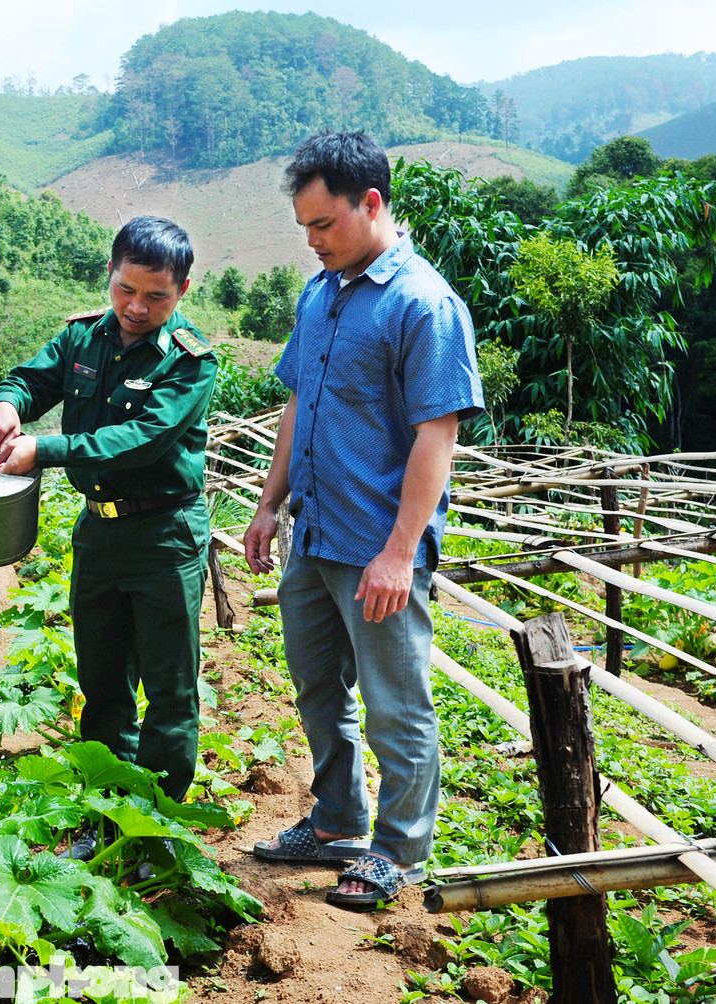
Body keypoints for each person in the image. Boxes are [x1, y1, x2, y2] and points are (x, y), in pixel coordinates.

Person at [244, 131, 484, 910]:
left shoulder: (424, 303)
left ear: (370, 203)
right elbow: (297, 404)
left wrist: (398, 552)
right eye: (305, 228)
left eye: (323, 225)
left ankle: (400, 849)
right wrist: (269, 499)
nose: (312, 241)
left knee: (395, 701)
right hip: (313, 534)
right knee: (319, 687)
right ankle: (338, 821)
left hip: (377, 546)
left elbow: (435, 436)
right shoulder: (321, 293)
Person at [0, 217, 218, 857]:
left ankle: (157, 829)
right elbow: (31, 380)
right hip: (100, 534)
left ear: (182, 290)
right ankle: (108, 820)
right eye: (125, 290)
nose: (137, 308)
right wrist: (7, 401)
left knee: (169, 691)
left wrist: (44, 448)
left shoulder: (189, 362)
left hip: (165, 534)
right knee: (103, 684)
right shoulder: (82, 337)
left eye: (156, 296)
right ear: (110, 277)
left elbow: (140, 440)